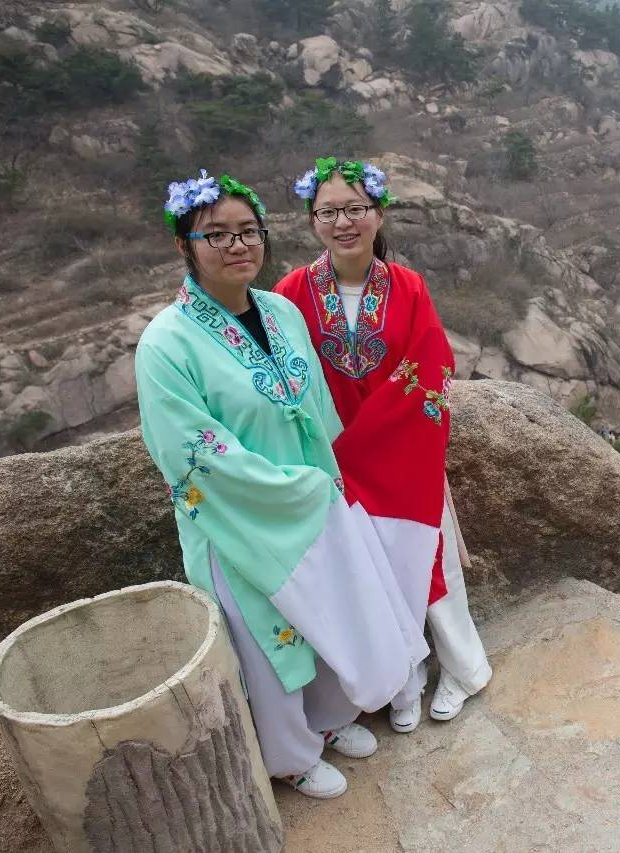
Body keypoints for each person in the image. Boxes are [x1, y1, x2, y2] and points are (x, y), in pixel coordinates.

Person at [137, 171, 427, 799]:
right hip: (239, 517)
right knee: (267, 638)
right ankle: (289, 754)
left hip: (314, 499)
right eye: (216, 235)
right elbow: (190, 450)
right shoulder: (167, 343)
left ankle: (326, 722)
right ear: (184, 245)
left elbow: (319, 408)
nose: (236, 245)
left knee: (326, 617)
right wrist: (293, 490)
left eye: (248, 231)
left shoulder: (281, 311)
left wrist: (333, 481)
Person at [274, 157, 491, 735]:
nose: (343, 222)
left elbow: (431, 364)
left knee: (431, 565)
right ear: (312, 219)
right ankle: (402, 679)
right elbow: (288, 376)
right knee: (370, 576)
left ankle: (464, 670)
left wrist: (374, 442)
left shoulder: (408, 287)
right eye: (329, 212)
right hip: (334, 460)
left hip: (403, 453)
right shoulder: (291, 292)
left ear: (377, 213)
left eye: (355, 209)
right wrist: (330, 449)